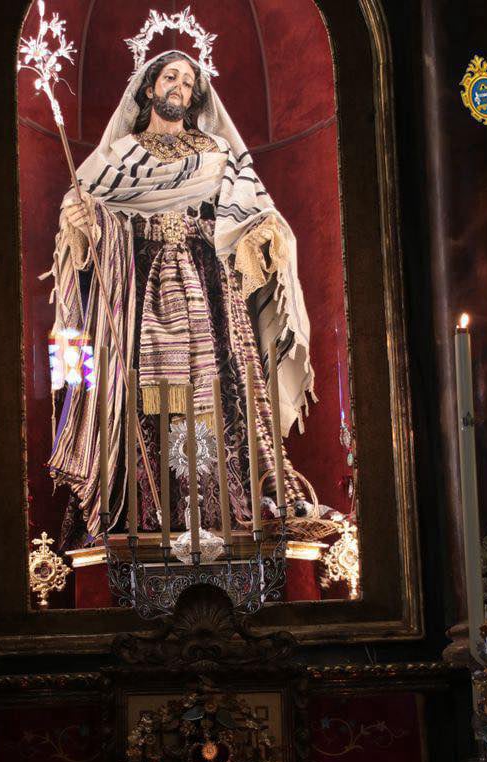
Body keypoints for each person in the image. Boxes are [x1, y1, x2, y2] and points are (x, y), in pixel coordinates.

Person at [47, 46, 316, 543]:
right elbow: (80, 209)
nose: (179, 88)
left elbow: (255, 210)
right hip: (136, 287)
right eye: (171, 77)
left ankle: (217, 509)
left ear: (195, 98)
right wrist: (86, 221)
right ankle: (145, 511)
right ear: (149, 86)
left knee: (219, 391)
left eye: (189, 83)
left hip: (208, 287)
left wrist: (263, 233)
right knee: (140, 394)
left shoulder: (215, 152)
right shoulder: (119, 155)